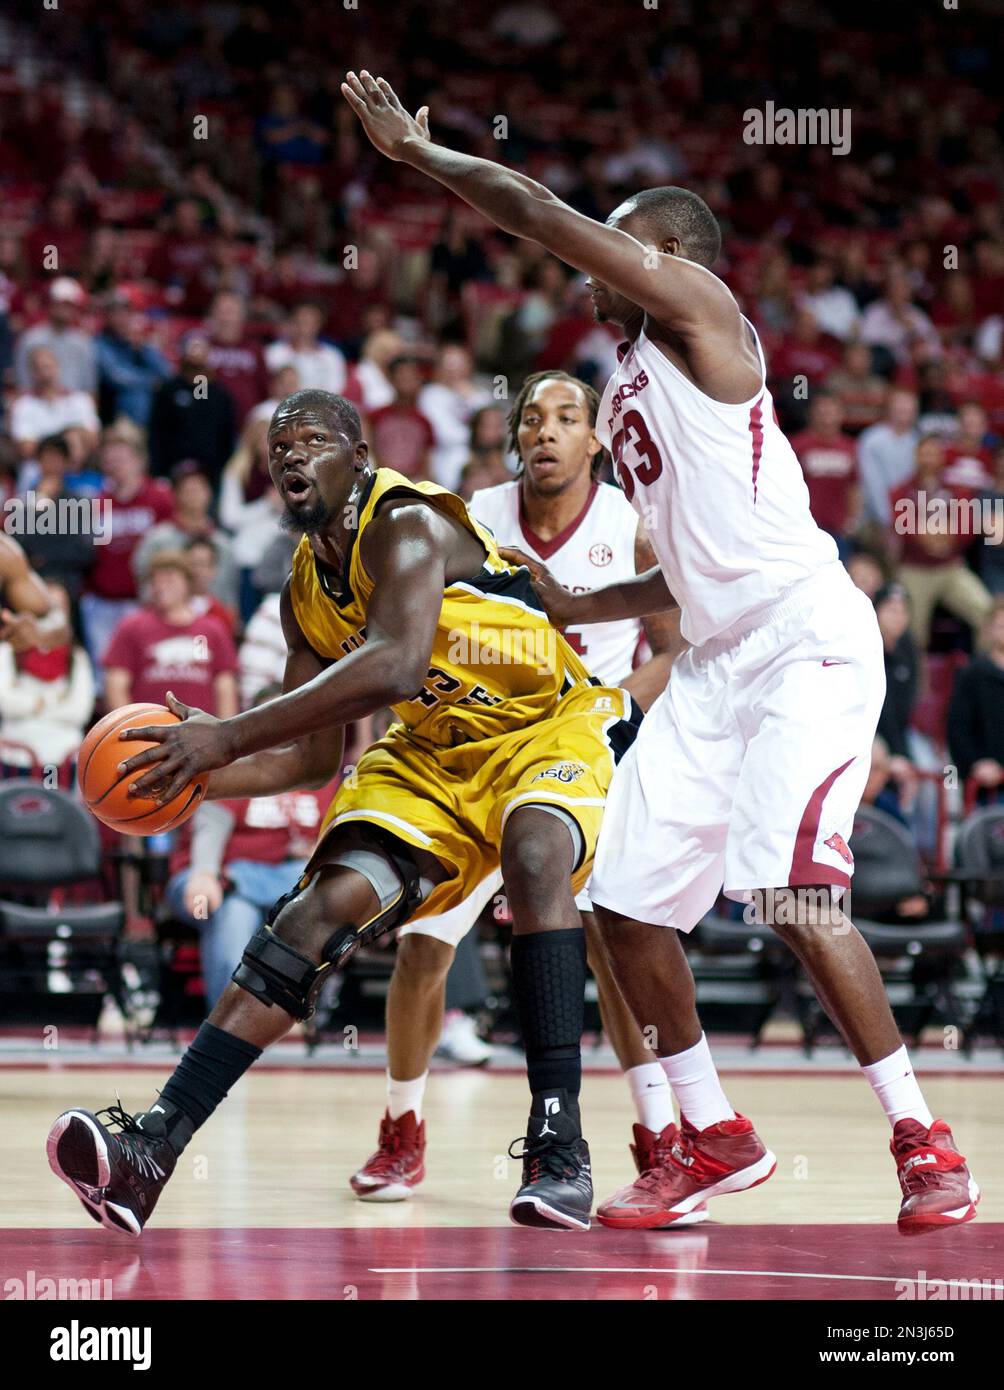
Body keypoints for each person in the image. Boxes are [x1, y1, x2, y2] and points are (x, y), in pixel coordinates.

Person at [338, 72, 976, 1234]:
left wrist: (420, 160)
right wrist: (580, 590)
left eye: (616, 249)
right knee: (622, 902)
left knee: (788, 892)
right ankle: (710, 1135)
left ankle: (921, 1139)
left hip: (800, 645)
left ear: (669, 252)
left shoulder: (696, 309)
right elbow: (689, 564)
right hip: (716, 661)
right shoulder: (634, 377)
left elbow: (541, 216)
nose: (594, 271)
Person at [46, 388, 639, 1235]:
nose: (290, 454)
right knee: (314, 913)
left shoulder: (406, 519)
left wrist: (224, 736)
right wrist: (191, 781)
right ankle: (153, 1149)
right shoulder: (302, 591)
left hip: (547, 726)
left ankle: (559, 1149)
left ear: (357, 457)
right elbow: (314, 757)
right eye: (278, 445)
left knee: (537, 852)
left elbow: (397, 666)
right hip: (431, 754)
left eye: (312, 439)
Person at [349, 369, 687, 1206]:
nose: (545, 431)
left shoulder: (633, 528)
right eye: (531, 417)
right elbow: (408, 632)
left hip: (576, 756)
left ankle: (658, 1137)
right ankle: (402, 1128)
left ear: (596, 439)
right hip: (472, 752)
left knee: (611, 952)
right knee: (423, 948)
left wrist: (614, 707)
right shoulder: (469, 516)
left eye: (567, 417)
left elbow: (675, 648)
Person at [163, 686, 336, 1009]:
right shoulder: (235, 767)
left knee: (321, 884)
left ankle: (241, 881)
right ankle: (231, 1024)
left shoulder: (319, 773)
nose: (280, 730)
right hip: (208, 881)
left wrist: (319, 849)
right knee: (233, 911)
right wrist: (204, 873)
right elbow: (210, 828)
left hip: (281, 883)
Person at [103, 549, 239, 719]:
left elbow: (225, 686)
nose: (161, 586)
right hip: (147, 730)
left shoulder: (212, 629)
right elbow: (116, 685)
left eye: (169, 579)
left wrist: (224, 734)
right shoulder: (132, 627)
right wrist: (128, 726)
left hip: (201, 732)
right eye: (155, 581)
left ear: (187, 583)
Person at [890, 435, 993, 650]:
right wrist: (931, 537)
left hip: (950, 568)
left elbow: (967, 526)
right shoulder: (901, 490)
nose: (928, 459)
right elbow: (903, 526)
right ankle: (913, 682)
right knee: (909, 632)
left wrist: (946, 538)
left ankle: (985, 676)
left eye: (933, 454)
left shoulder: (957, 489)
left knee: (988, 615)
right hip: (914, 569)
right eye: (924, 453)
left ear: (941, 458)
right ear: (916, 457)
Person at [0, 581, 94, 776]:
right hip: (15, 756)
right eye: (46, 608)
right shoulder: (7, 651)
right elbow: (5, 703)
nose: (53, 616)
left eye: (59, 607)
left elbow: (79, 711)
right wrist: (53, 702)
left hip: (63, 758)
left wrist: (33, 704)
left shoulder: (77, 656)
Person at [148, 330, 238, 485]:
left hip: (210, 474)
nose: (196, 352)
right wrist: (159, 471)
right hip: (172, 472)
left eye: (201, 347)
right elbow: (157, 433)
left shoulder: (218, 394)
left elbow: (225, 435)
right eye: (192, 347)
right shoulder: (168, 390)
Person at [947, 600, 1004, 802]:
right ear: (989, 630)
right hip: (982, 785)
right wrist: (976, 763)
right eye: (1000, 624)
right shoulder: (972, 674)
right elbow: (957, 728)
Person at [9, 347, 100, 462]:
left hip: (79, 467)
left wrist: (48, 441)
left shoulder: (80, 400)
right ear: (32, 373)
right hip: (38, 471)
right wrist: (68, 436)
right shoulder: (23, 406)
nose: (45, 373)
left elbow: (93, 440)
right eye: (39, 369)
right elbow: (26, 448)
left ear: (58, 367)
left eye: (48, 367)